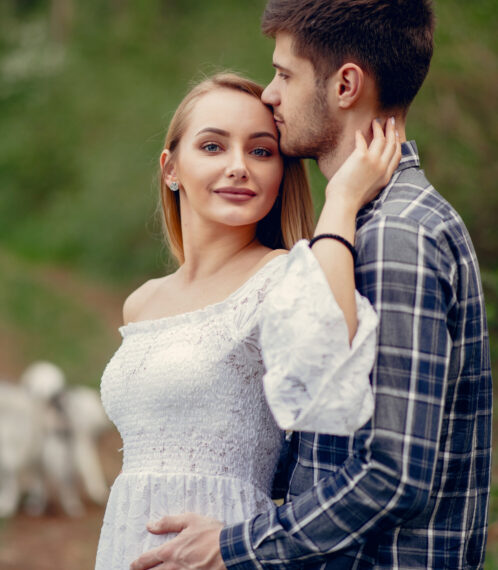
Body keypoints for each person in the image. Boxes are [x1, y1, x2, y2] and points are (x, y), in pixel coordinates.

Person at [131, 1, 492, 569]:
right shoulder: (362, 230)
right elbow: (319, 436)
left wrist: (234, 545)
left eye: (284, 73)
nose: (271, 95)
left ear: (346, 84)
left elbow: (392, 475)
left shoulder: (396, 236)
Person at [95, 71, 400, 569]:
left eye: (261, 151)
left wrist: (341, 202)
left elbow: (333, 364)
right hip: (127, 545)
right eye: (213, 147)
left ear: (281, 173)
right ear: (171, 168)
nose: (239, 167)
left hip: (223, 549)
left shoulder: (283, 277)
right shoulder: (143, 302)